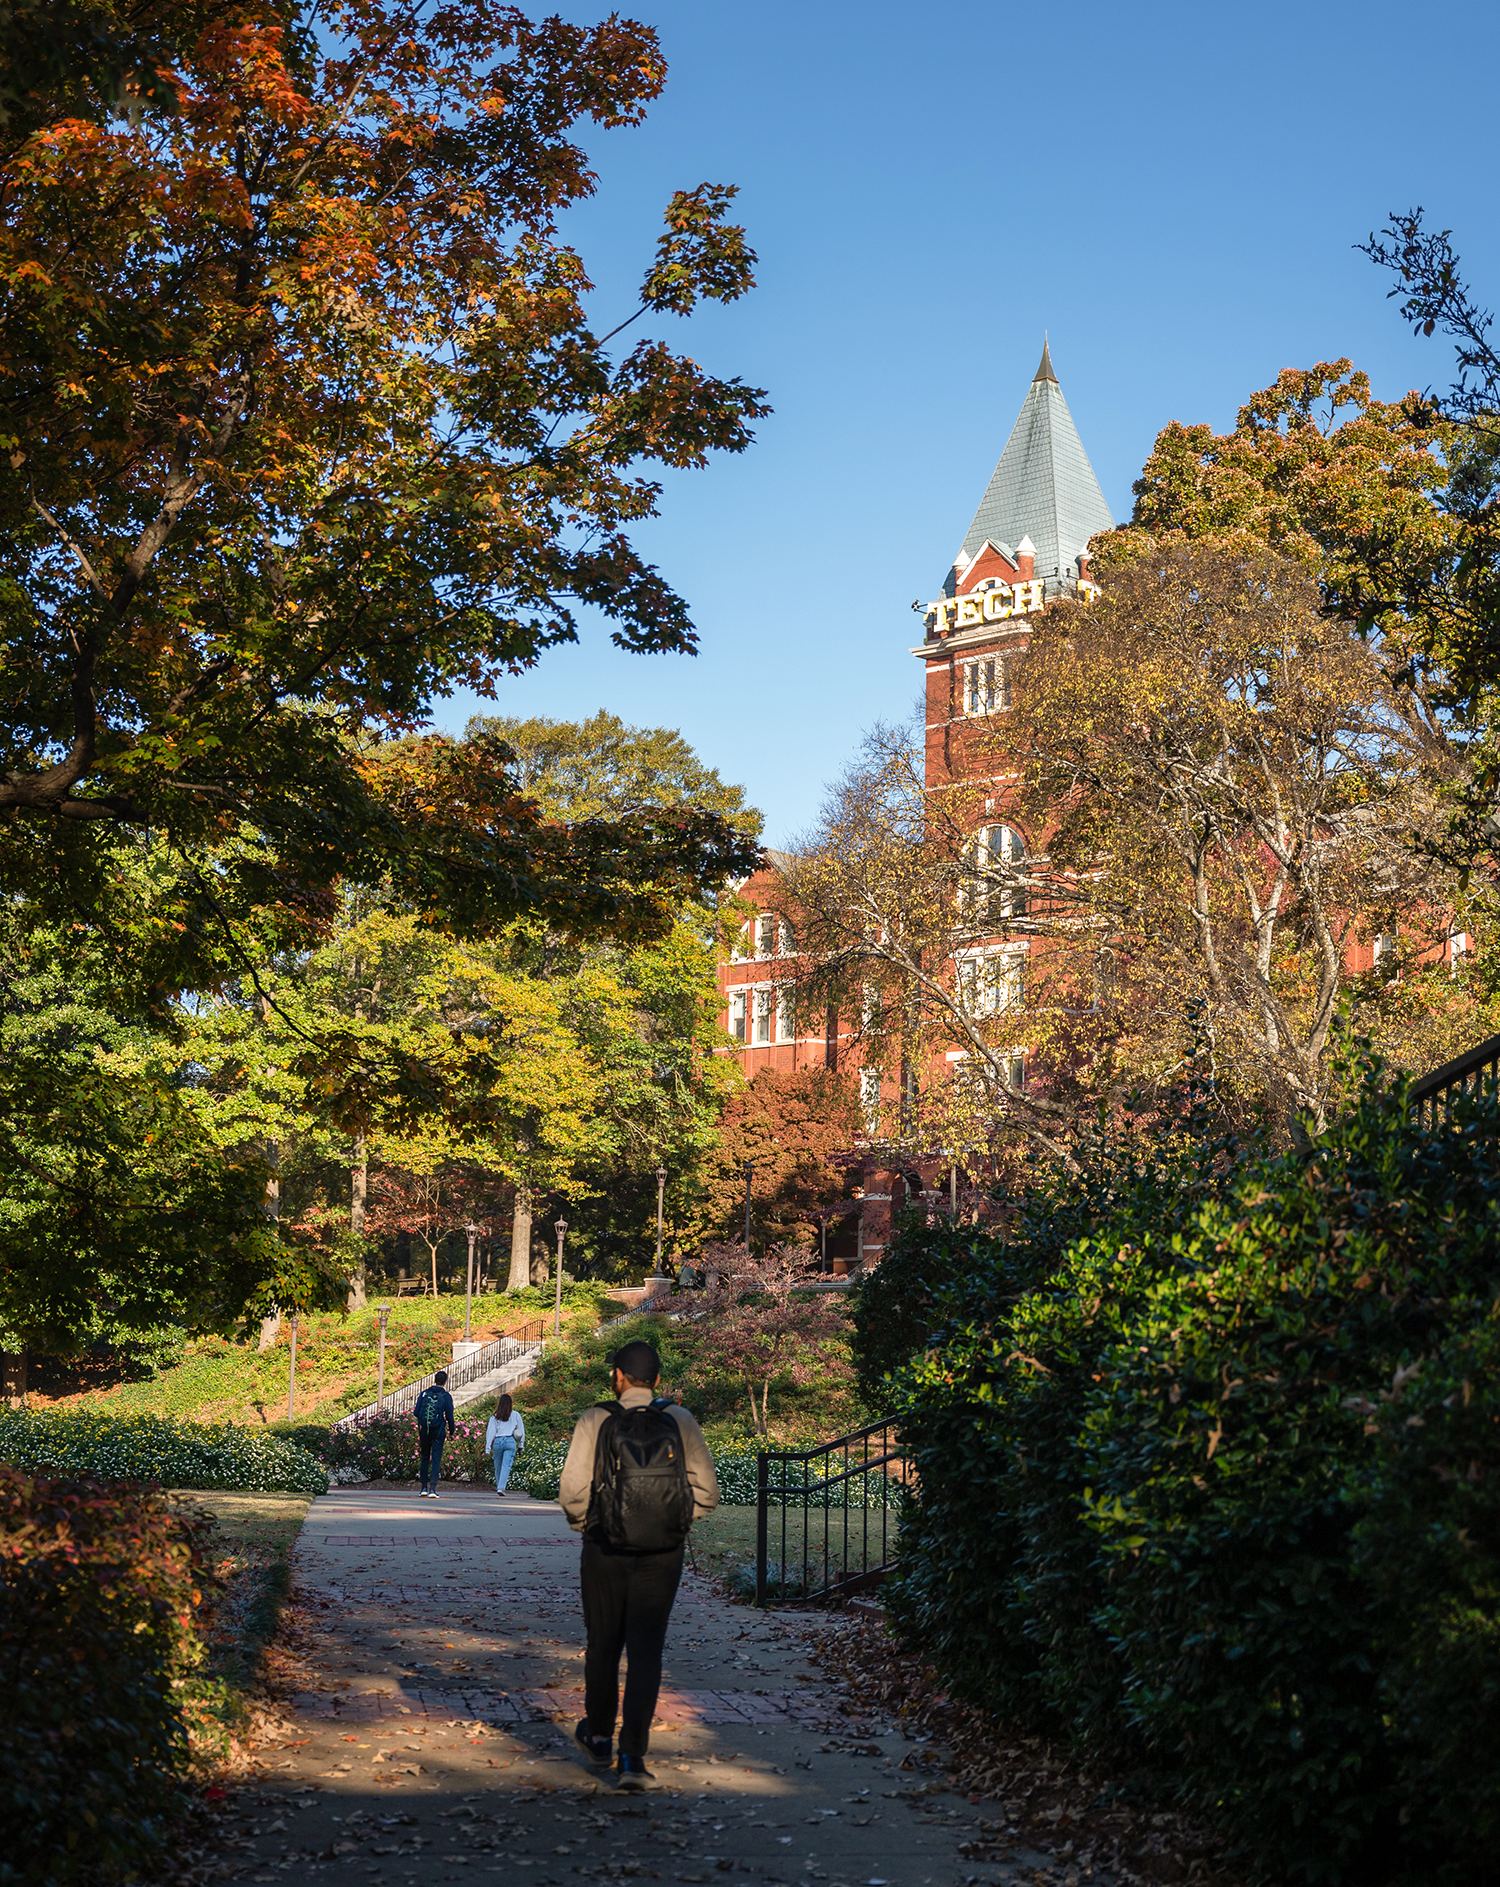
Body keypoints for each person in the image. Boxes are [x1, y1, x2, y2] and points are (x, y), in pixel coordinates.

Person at [559, 1339, 718, 1791]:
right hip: (662, 1556)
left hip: (605, 1551)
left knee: (603, 1644)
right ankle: (633, 1757)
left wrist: (592, 1526)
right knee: (647, 1651)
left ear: (618, 1377)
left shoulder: (596, 1418)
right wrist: (670, 1525)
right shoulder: (680, 1420)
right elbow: (706, 1493)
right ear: (657, 1381)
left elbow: (572, 1492)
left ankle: (599, 1737)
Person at [413, 1370, 456, 1497]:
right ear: (445, 1382)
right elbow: (449, 1416)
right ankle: (432, 1489)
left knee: (425, 1457)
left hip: (425, 1430)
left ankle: (423, 1488)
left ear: (434, 1380)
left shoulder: (424, 1394)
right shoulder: (446, 1396)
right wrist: (451, 1432)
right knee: (436, 1459)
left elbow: (416, 1412)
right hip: (438, 1431)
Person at [484, 1392, 526, 1493]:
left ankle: (499, 1486)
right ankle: (501, 1487)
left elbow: (490, 1432)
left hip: (498, 1441)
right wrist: (521, 1445)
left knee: (497, 1465)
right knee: (506, 1465)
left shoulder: (495, 1416)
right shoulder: (516, 1415)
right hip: (510, 1440)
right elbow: (521, 1431)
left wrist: (488, 1448)